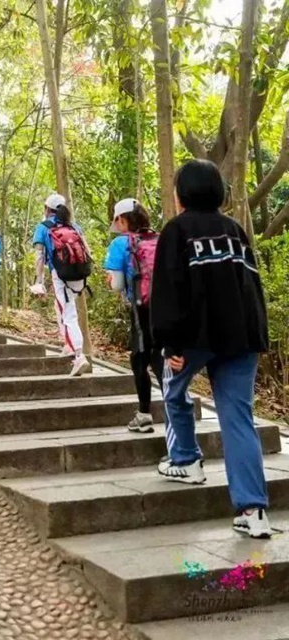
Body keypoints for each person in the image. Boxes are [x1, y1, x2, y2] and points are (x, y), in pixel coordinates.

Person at [151, 159, 271, 538]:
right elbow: (252, 290)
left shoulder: (177, 230)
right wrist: (257, 336)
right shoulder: (235, 231)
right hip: (242, 338)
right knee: (238, 419)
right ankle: (253, 512)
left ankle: (186, 460)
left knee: (173, 389)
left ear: (182, 193)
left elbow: (170, 288)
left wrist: (170, 341)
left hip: (195, 338)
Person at [104, 198, 164, 433]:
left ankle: (144, 414)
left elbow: (117, 285)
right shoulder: (160, 239)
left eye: (117, 220)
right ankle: (174, 407)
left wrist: (111, 280)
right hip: (165, 308)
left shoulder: (121, 243)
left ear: (123, 219)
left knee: (140, 358)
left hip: (141, 307)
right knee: (161, 356)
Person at [32, 194, 91, 377]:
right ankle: (68, 345)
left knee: (68, 313)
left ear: (47, 209)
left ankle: (79, 356)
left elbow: (39, 257)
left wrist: (39, 281)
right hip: (78, 274)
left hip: (60, 274)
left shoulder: (43, 227)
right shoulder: (74, 226)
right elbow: (88, 251)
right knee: (63, 308)